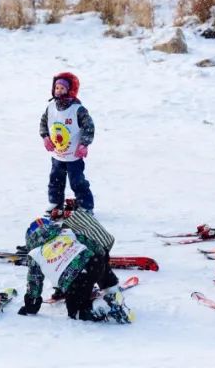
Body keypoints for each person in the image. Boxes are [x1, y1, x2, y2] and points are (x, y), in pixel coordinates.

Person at [16, 215, 131, 323]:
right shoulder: (66, 232)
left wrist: (31, 306)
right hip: (93, 262)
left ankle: (104, 307)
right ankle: (112, 291)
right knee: (97, 262)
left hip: (74, 279)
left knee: (76, 312)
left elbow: (34, 282)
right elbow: (95, 246)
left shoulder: (34, 254)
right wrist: (103, 259)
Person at [40, 72, 96, 213]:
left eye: (62, 88)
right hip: (57, 154)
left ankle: (86, 205)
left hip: (74, 154)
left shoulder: (78, 109)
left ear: (70, 90)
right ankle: (55, 203)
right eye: (57, 88)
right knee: (55, 180)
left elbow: (89, 127)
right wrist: (45, 137)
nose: (59, 91)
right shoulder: (51, 107)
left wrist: (84, 144)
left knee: (77, 181)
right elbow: (43, 123)